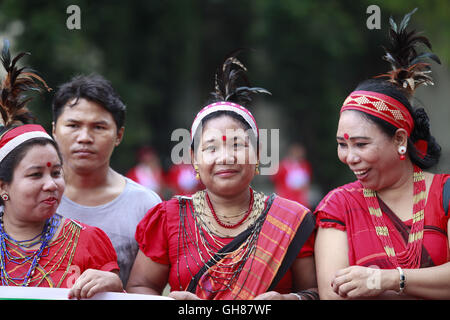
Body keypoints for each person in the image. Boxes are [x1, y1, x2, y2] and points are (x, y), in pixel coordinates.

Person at [127, 51, 318, 300]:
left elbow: (317, 293)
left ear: (257, 153)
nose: (225, 157)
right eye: (211, 148)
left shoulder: (291, 221)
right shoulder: (169, 218)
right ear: (194, 157)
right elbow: (139, 289)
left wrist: (290, 299)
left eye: (238, 145)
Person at [314, 9, 450, 300]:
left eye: (361, 144)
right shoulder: (338, 206)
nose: (349, 157)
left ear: (400, 139)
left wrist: (386, 279)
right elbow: (333, 295)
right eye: (342, 144)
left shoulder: (445, 194)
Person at [0, 40, 122, 299]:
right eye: (35, 174)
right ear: (3, 186)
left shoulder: (89, 241)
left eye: (56, 173)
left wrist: (114, 286)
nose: (51, 184)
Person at [51, 74, 161, 287]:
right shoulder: (31, 196)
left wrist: (117, 290)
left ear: (119, 135)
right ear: (54, 130)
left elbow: (149, 289)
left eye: (99, 127)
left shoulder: (146, 206)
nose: (84, 137)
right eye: (73, 125)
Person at [271, 142, 312, 208]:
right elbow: (274, 179)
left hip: (301, 202)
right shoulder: (283, 166)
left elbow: (306, 184)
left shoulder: (304, 165)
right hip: (287, 200)